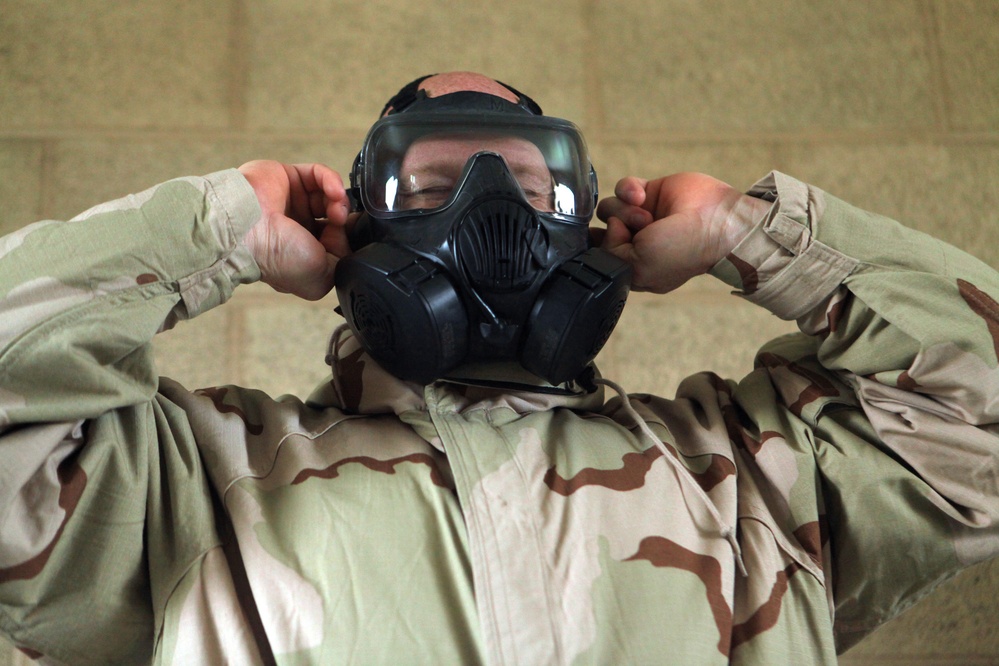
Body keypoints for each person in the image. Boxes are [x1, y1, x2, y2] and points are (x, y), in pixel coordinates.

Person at [0, 71, 996, 665]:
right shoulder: (195, 486)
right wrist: (214, 227)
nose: (491, 213)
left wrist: (753, 232)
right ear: (355, 226)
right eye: (433, 183)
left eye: (529, 184)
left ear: (592, 223)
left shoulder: (751, 478)